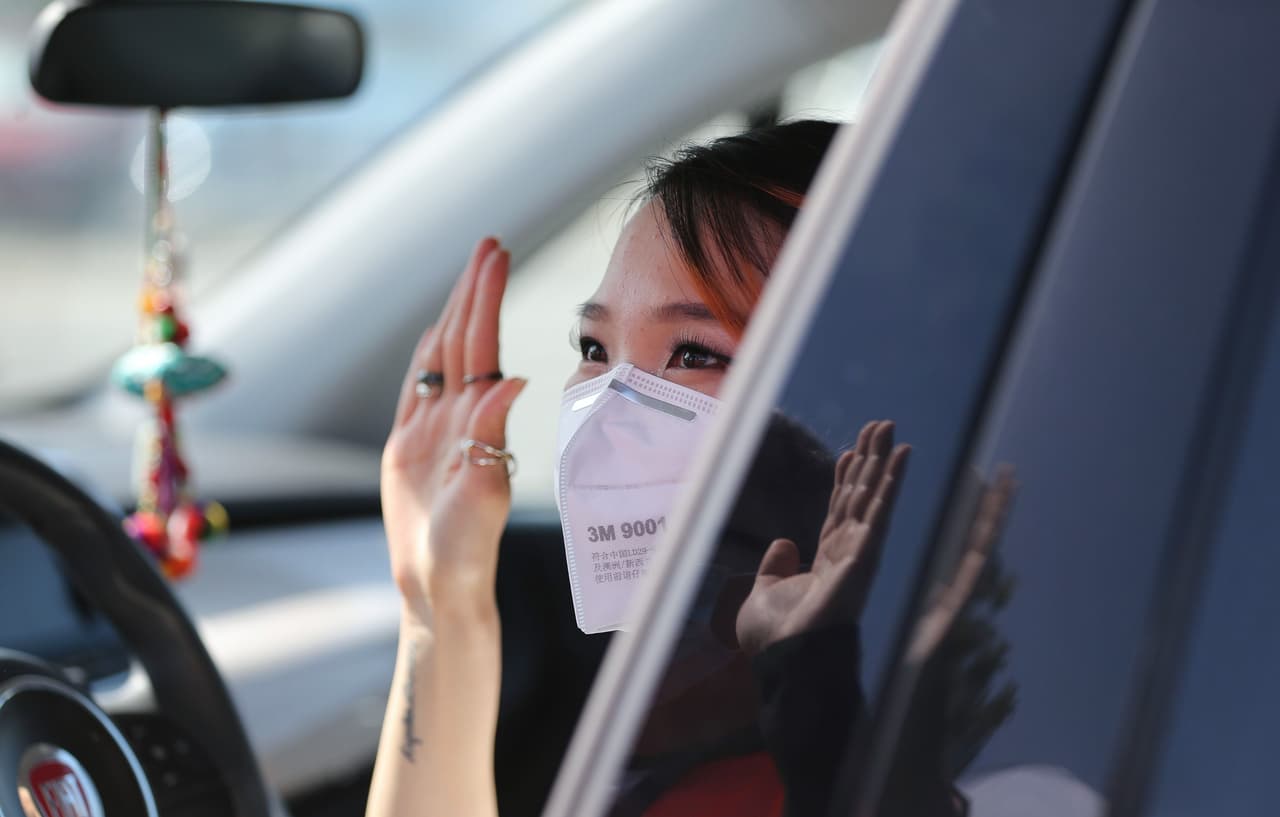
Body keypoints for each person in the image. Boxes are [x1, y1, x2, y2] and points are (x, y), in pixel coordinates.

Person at [366, 120, 920, 817]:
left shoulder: (872, 763)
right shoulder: (685, 750)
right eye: (594, 348)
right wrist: (440, 600)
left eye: (694, 352)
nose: (604, 412)